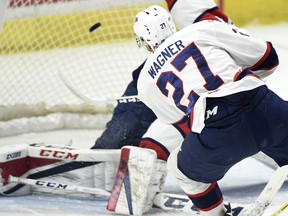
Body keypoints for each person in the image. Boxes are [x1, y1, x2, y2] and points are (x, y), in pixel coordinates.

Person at [133, 4, 282, 216]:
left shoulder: (145, 82)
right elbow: (269, 58)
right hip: (263, 104)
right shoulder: (202, 29)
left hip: (217, 127)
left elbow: (181, 122)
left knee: (181, 169)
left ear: (146, 44)